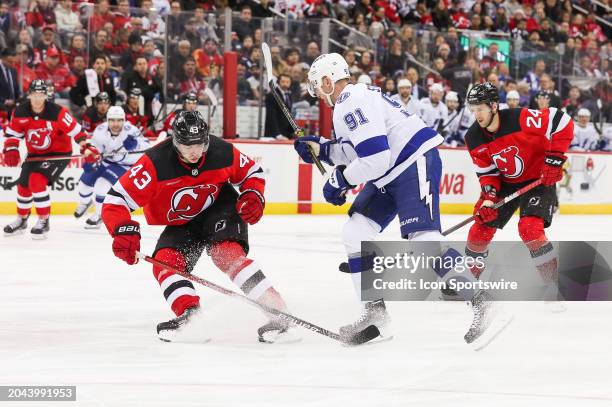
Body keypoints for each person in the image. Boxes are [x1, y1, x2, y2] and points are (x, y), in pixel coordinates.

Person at [294, 53, 494, 346]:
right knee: (356, 231)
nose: (317, 94)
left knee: (424, 239)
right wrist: (322, 149)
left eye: (317, 85)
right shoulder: (353, 99)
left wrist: (340, 179)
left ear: (327, 80)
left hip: (411, 162)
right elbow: (358, 150)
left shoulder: (350, 102)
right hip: (390, 172)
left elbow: (375, 157)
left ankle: (482, 301)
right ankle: (376, 315)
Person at [100, 110, 295, 343]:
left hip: (220, 208)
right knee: (164, 260)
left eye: (199, 144)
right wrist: (121, 229)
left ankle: (278, 311)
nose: (195, 152)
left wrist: (253, 194)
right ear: (175, 142)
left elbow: (251, 171)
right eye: (187, 145)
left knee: (225, 254)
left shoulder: (220, 150)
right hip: (184, 221)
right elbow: (115, 201)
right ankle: (190, 316)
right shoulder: (155, 163)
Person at [463, 82, 574, 308]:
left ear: (493, 105)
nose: (477, 115)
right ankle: (468, 282)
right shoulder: (473, 137)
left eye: (480, 108)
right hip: (505, 182)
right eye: (473, 109)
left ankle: (553, 286)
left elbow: (561, 121)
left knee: (530, 228)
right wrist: (488, 198)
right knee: (479, 229)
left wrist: (554, 157)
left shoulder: (520, 118)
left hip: (538, 179)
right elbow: (488, 174)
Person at [2, 80, 97, 238]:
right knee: (23, 185)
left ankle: (44, 220)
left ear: (46, 95)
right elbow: (13, 134)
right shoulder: (20, 111)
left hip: (57, 155)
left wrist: (86, 147)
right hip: (34, 155)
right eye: (35, 95)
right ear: (29, 95)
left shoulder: (57, 112)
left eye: (41, 95)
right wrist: (11, 148)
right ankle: (22, 219)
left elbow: (78, 132)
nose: (38, 99)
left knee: (37, 180)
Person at [74, 106, 149, 228]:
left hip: (124, 166)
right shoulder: (100, 130)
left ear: (123, 120)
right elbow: (94, 147)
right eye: (112, 120)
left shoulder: (132, 131)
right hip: (106, 160)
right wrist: (92, 156)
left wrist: (136, 145)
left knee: (101, 186)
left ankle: (99, 215)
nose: (116, 124)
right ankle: (85, 202)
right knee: (84, 183)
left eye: (119, 120)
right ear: (107, 120)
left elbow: (147, 147)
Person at [264, 73, 294, 140]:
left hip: (286, 133)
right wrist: (278, 135)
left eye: (287, 82)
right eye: (283, 82)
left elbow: (289, 115)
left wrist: (294, 131)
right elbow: (271, 116)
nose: (285, 84)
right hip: (274, 135)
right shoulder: (272, 95)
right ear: (278, 82)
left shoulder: (289, 95)